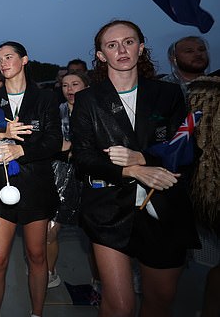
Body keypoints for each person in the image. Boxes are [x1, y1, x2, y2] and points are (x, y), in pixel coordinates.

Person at [71, 20, 200, 317]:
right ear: (101, 55)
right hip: (109, 211)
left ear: (141, 48)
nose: (122, 50)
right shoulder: (88, 100)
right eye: (112, 45)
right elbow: (83, 158)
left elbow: (186, 150)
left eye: (128, 42)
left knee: (160, 300)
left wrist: (141, 158)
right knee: (119, 306)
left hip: (163, 207)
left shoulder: (167, 94)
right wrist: (129, 171)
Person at [0, 41, 61, 317]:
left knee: (37, 256)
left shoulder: (45, 98)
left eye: (9, 57)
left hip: (35, 186)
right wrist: (0, 132)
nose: (3, 63)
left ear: (24, 60)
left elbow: (54, 141)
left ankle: (36, 313)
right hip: (0, 186)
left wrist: (20, 149)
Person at [46, 71, 90, 289]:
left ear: (86, 86)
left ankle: (100, 281)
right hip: (60, 174)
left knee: (94, 235)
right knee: (50, 230)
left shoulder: (97, 110)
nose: (70, 89)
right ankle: (49, 272)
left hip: (92, 176)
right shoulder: (57, 111)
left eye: (75, 84)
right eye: (65, 85)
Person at [162, 35, 210, 100]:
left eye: (201, 50)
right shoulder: (162, 88)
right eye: (189, 51)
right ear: (173, 59)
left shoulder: (215, 83)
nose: (198, 54)